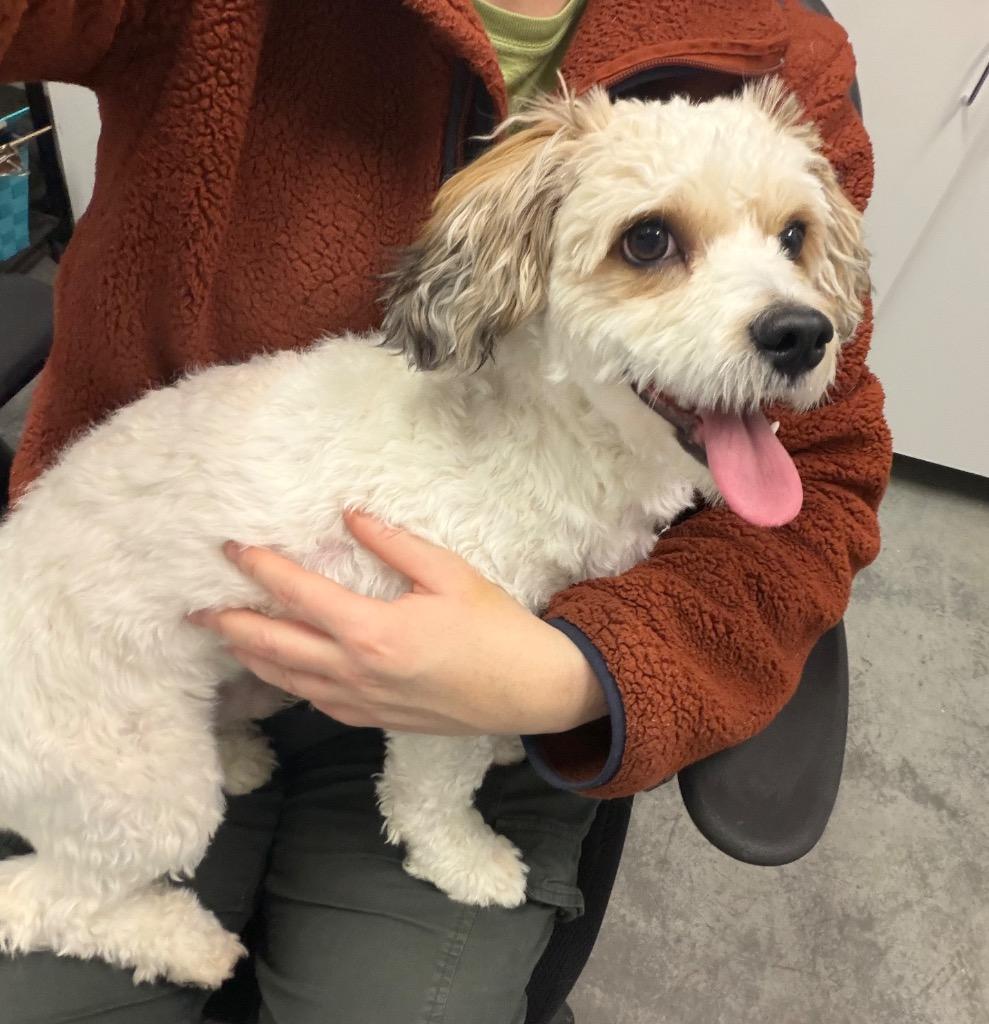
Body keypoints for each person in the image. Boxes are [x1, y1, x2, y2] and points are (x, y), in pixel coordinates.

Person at [0, 1, 891, 1021]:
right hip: (104, 666)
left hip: (419, 682)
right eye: (651, 241)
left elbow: (825, 477)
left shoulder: (784, 46)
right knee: (121, 888)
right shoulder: (502, 490)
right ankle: (51, 901)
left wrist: (561, 678)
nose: (792, 312)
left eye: (790, 237)